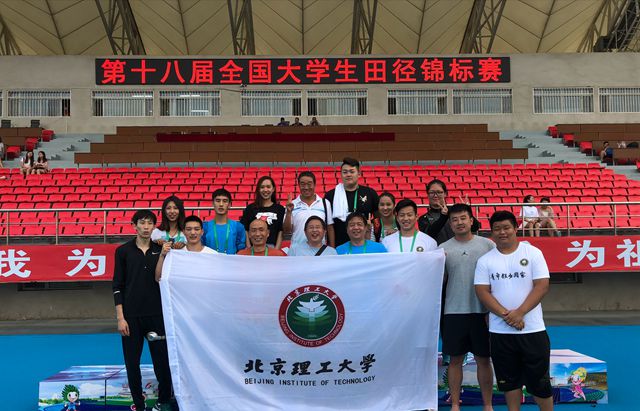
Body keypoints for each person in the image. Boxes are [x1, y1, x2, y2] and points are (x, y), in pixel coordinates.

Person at [474, 210, 553, 411]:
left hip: (532, 330)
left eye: (506, 227)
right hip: (500, 333)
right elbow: (482, 292)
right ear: (491, 232)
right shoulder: (485, 260)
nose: (502, 232)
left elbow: (542, 286)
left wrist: (520, 313)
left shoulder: (533, 253)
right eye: (497, 229)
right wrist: (508, 316)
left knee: (540, 384)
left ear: (515, 228)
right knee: (509, 383)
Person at [112, 210, 173, 411]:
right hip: (131, 317)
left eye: (150, 223)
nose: (146, 227)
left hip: (157, 315)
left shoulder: (162, 250)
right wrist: (120, 318)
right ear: (134, 225)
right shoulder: (123, 251)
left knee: (162, 362)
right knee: (132, 363)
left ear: (154, 227)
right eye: (142, 223)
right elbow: (117, 286)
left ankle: (164, 401)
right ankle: (138, 404)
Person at [439, 204, 496, 411]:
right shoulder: (442, 249)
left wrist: (493, 310)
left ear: (471, 220)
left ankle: (488, 404)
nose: (459, 222)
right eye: (454, 219)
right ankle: (455, 404)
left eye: (463, 218)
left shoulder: (488, 245)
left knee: (483, 360)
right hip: (453, 312)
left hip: (482, 312)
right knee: (455, 361)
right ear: (450, 224)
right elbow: (438, 281)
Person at [325, 157, 379, 246]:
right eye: (345, 172)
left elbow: (378, 219)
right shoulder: (330, 195)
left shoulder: (370, 193)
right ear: (341, 174)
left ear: (359, 174)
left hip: (364, 244)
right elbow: (328, 225)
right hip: (339, 245)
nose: (348, 175)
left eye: (352, 171)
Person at [156, 215, 216, 281]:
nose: (192, 233)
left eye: (196, 229)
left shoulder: (213, 255)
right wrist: (162, 255)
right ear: (184, 232)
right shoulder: (175, 255)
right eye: (188, 229)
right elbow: (158, 279)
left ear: (202, 232)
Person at [283, 171, 335, 247]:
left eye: (309, 184)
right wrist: (288, 212)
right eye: (303, 184)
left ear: (314, 184)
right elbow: (287, 231)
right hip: (297, 249)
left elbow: (329, 228)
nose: (306, 187)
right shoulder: (292, 204)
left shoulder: (325, 203)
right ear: (299, 185)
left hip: (319, 249)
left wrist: (332, 248)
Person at [241, 176, 285, 249]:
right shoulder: (250, 208)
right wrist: (249, 246)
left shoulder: (280, 209)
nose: (265, 190)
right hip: (253, 248)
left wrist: (276, 249)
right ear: (258, 189)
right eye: (262, 187)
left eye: (268, 187)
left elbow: (280, 231)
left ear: (273, 189)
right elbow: (245, 228)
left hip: (272, 247)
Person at [202, 188, 246, 254]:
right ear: (213, 203)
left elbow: (241, 250)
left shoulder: (238, 227)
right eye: (218, 201)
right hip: (210, 260)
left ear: (230, 204)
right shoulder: (205, 227)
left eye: (225, 201)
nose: (221, 204)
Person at [418, 179, 455, 245]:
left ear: (445, 194)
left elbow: (473, 228)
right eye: (432, 192)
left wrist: (468, 212)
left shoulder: (455, 212)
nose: (435, 195)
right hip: (436, 251)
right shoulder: (423, 218)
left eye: (439, 192)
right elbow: (430, 234)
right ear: (427, 195)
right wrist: (443, 217)